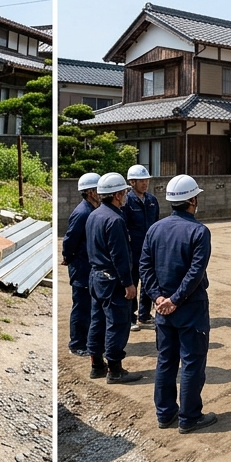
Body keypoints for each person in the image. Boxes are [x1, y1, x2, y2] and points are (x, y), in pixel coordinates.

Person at [140, 174, 217, 433]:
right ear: (192, 199)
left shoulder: (155, 229)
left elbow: (145, 266)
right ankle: (189, 417)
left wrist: (158, 297)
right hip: (190, 306)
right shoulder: (198, 231)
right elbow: (195, 272)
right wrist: (175, 299)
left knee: (166, 360)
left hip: (163, 309)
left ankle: (165, 414)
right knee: (192, 361)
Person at [85, 172, 144, 384]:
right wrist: (128, 283)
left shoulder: (94, 215)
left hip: (96, 277)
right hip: (113, 281)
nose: (126, 196)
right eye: (124, 193)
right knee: (117, 323)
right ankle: (115, 370)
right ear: (118, 195)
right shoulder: (115, 219)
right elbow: (120, 256)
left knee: (98, 320)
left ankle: (97, 364)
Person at [61, 172, 102, 357]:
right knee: (82, 305)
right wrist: (68, 258)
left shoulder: (93, 210)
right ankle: (77, 344)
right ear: (91, 192)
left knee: (90, 305)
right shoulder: (83, 212)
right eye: (99, 190)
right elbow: (69, 240)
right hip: (81, 266)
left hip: (88, 265)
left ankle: (87, 341)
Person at [123, 164, 160, 330]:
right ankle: (130, 317)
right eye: (141, 181)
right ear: (132, 182)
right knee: (132, 282)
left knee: (148, 282)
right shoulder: (127, 202)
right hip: (133, 250)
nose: (145, 183)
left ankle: (144, 315)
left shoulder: (152, 201)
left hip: (149, 249)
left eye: (146, 180)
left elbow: (157, 224)